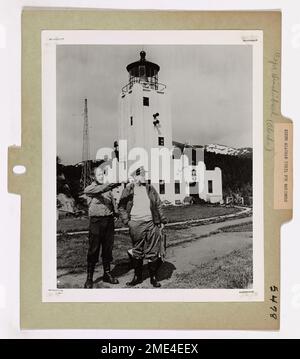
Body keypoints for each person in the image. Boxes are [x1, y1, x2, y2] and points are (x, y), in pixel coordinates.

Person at [118, 167, 168, 287]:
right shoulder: (128, 189)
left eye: (144, 175)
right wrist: (127, 221)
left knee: (153, 250)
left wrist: (162, 220)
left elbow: (158, 204)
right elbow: (121, 207)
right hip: (136, 223)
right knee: (137, 250)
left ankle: (153, 278)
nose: (143, 177)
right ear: (134, 177)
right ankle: (137, 277)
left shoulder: (150, 188)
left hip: (151, 223)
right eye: (140, 175)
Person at [83, 166, 120, 288]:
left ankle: (107, 274)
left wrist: (115, 213)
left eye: (103, 174)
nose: (102, 176)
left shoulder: (108, 189)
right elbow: (102, 188)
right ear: (93, 177)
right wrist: (112, 184)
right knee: (93, 249)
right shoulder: (90, 189)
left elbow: (112, 201)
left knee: (107, 249)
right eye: (99, 174)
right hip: (96, 222)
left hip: (108, 222)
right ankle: (89, 278)